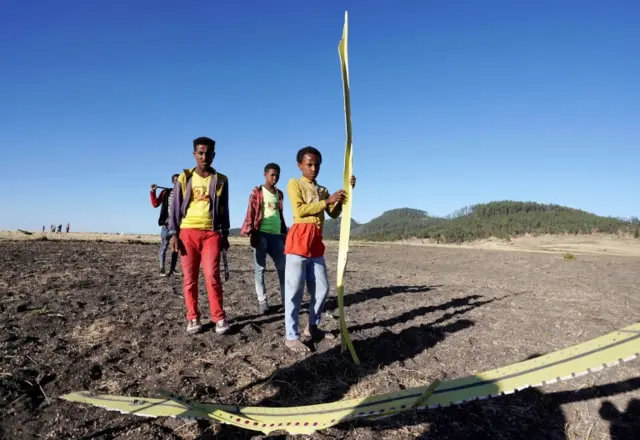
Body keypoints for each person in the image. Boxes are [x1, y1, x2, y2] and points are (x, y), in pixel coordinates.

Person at [283, 146, 355, 353]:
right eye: (309, 164)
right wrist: (327, 201)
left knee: (322, 289)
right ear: (300, 166)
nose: (314, 168)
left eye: (317, 165)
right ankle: (291, 336)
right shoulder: (294, 183)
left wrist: (345, 194)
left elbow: (333, 213)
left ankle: (312, 327)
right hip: (298, 242)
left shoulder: (322, 190)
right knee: (294, 291)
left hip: (316, 244)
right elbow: (300, 210)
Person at [168, 136, 231, 335]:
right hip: (187, 232)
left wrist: (225, 234)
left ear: (214, 155)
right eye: (200, 153)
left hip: (211, 233)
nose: (204, 157)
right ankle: (193, 317)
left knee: (212, 275)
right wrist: (173, 234)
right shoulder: (184, 177)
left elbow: (224, 209)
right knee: (189, 278)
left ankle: (219, 317)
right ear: (194, 154)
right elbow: (175, 207)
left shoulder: (221, 179)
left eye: (208, 153)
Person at [240, 163, 288, 315]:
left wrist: (285, 233)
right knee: (260, 269)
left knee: (283, 268)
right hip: (261, 234)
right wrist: (251, 233)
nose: (275, 178)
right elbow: (251, 211)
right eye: (272, 174)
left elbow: (280, 215)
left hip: (277, 236)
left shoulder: (279, 194)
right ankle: (263, 301)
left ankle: (286, 300)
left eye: (277, 175)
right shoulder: (257, 191)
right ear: (265, 175)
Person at [150, 174, 180, 276]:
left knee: (175, 248)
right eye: (176, 181)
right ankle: (162, 269)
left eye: (179, 181)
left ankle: (173, 269)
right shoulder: (165, 192)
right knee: (163, 247)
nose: (177, 183)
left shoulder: (184, 194)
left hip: (177, 226)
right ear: (173, 182)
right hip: (166, 225)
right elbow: (155, 204)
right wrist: (153, 192)